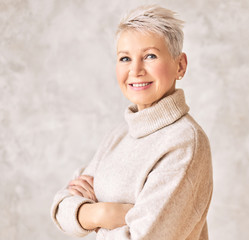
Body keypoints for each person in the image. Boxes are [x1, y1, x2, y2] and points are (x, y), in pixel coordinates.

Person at [50, 5, 213, 240]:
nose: (135, 70)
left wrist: (88, 219)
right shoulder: (119, 135)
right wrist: (104, 213)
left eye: (150, 56)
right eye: (125, 58)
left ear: (180, 65)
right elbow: (60, 208)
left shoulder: (185, 142)